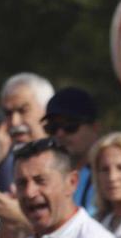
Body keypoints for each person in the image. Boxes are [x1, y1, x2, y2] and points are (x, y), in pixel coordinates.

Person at [44, 87, 103, 215]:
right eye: (52, 127)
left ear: (95, 127)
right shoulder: (47, 177)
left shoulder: (109, 175)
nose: (60, 134)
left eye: (70, 125)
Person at [2, 72, 54, 150]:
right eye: (8, 113)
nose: (14, 122)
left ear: (47, 111)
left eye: (23, 111)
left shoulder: (71, 159)